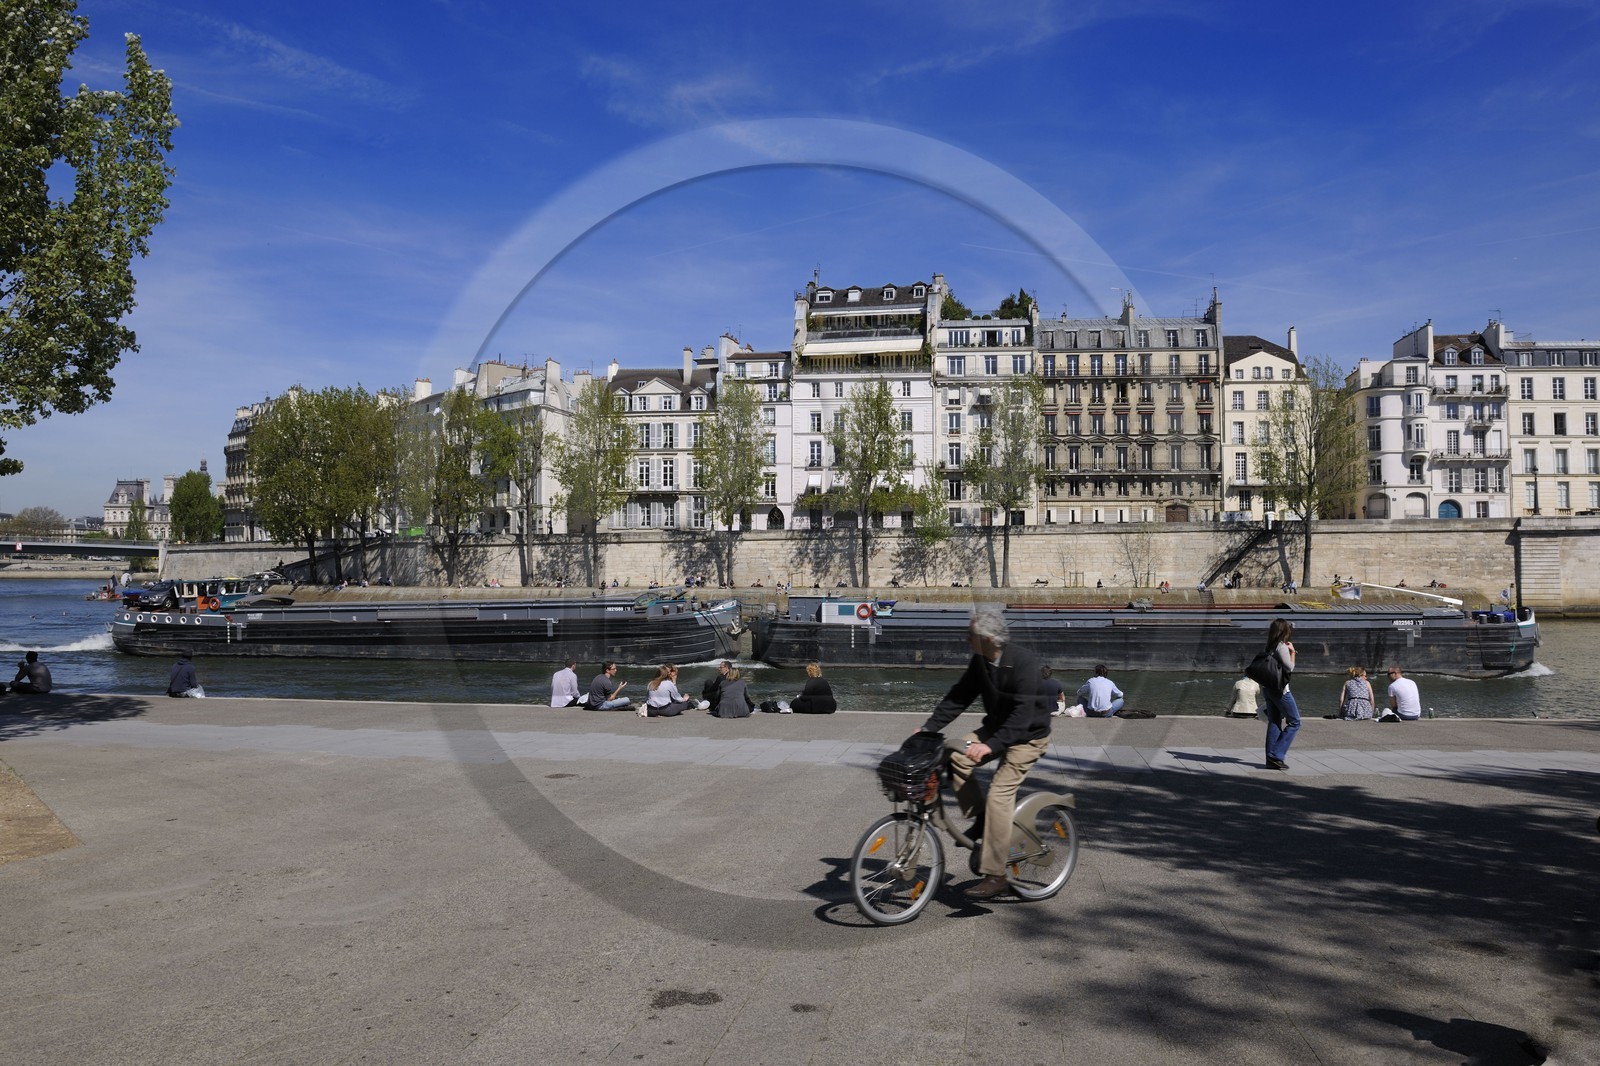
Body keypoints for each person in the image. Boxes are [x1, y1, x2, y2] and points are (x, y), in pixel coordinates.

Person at [916, 605, 1052, 901]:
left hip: (1029, 736)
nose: (966, 639)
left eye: (970, 635)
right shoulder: (980, 661)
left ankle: (996, 876)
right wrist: (928, 728)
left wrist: (990, 746)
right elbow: (958, 698)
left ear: (988, 639)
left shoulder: (1023, 663)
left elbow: (1022, 715)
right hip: (996, 728)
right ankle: (981, 818)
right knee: (955, 755)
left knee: (999, 795)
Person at [1261, 618, 1299, 770]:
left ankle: (1270, 759)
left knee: (1274, 721)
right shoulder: (1281, 646)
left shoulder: (1269, 646)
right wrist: (1293, 652)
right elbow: (1289, 667)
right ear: (1285, 631)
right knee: (1295, 722)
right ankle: (1276, 755)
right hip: (1280, 690)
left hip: (1268, 688)